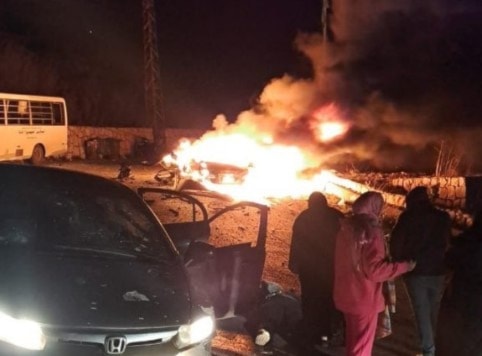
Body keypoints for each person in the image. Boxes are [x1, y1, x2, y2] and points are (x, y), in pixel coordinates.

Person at [333, 191, 416, 356]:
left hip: (346, 296)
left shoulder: (346, 228)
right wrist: (404, 266)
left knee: (353, 343)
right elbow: (375, 271)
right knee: (361, 348)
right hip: (363, 298)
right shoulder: (371, 232)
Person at [390, 186, 451, 356]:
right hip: (438, 271)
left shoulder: (407, 218)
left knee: (421, 312)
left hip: (415, 272)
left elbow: (396, 243)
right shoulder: (442, 217)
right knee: (435, 311)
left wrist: (399, 264)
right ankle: (437, 348)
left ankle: (429, 351)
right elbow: (448, 242)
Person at [288, 191, 344, 348]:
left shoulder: (304, 217)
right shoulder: (337, 216)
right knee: (328, 300)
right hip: (331, 268)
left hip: (310, 269)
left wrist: (294, 263)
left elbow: (296, 243)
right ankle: (325, 334)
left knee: (310, 299)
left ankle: (311, 331)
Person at [436, 210, 482, 356]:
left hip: (459, 304)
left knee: (450, 344)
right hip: (471, 310)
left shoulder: (469, 242)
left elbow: (448, 260)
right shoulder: (469, 243)